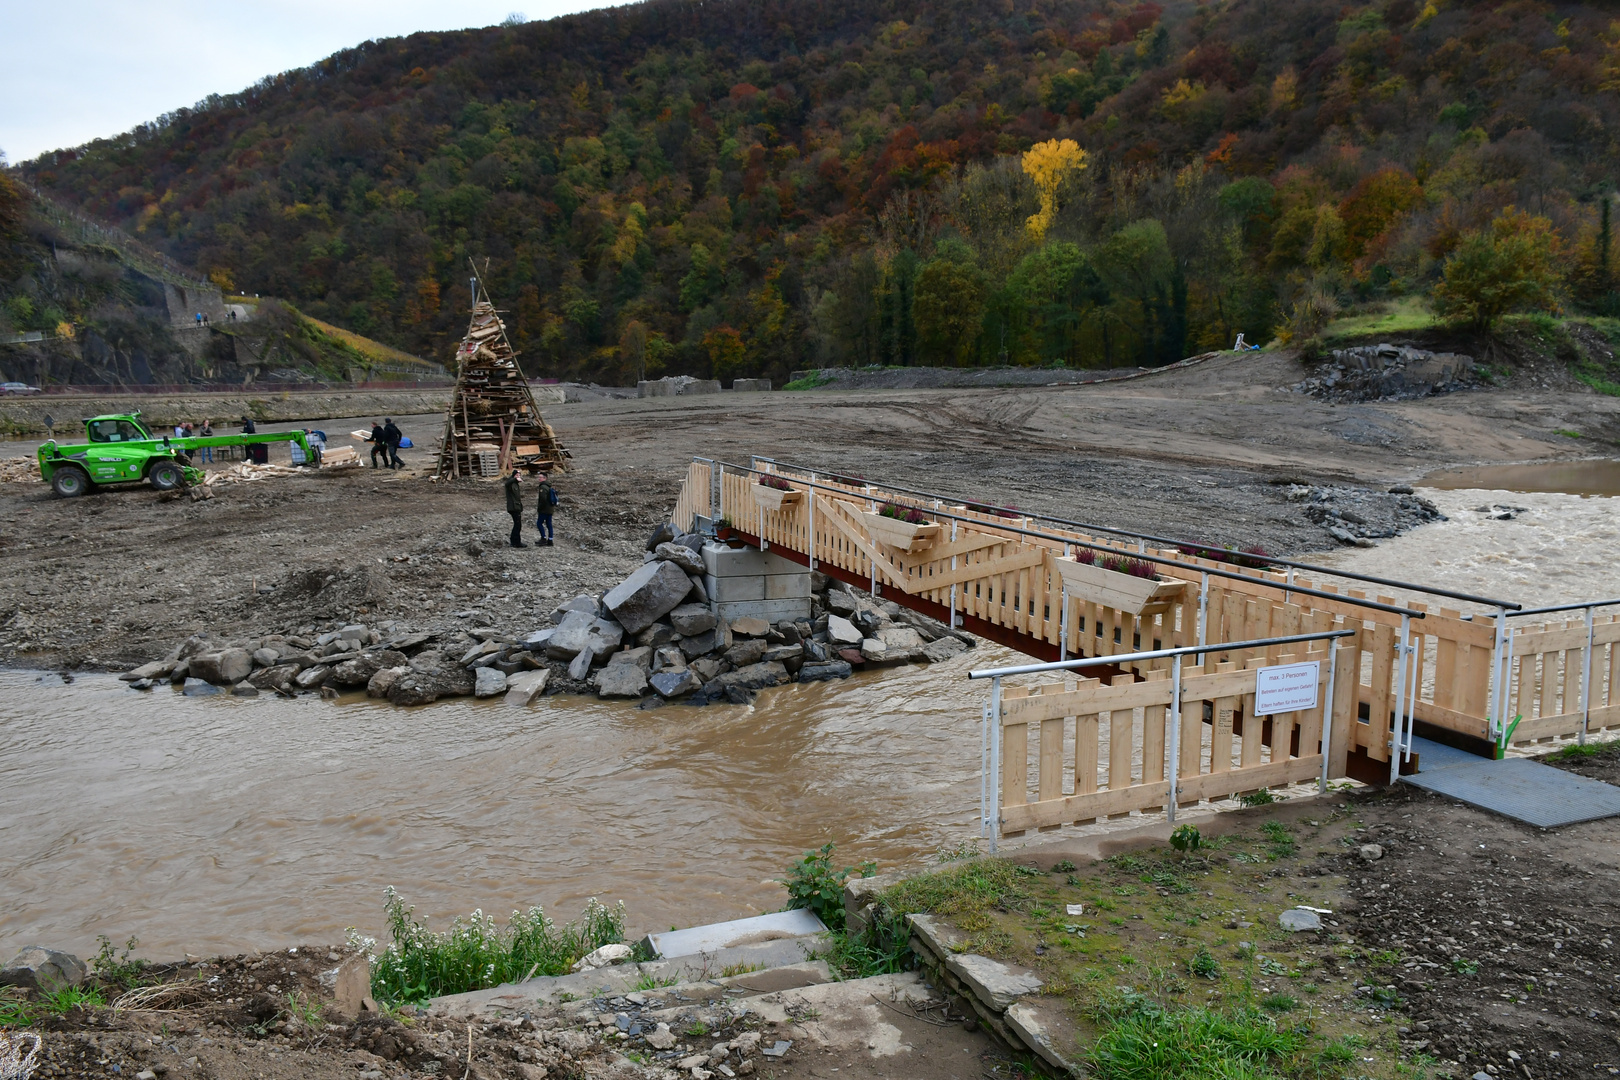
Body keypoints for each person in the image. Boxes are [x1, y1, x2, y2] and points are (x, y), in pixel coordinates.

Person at [503, 469, 527, 548]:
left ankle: (515, 541)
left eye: (519, 475)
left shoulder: (516, 484)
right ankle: (516, 542)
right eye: (517, 475)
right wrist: (515, 479)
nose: (518, 477)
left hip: (516, 507)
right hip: (513, 507)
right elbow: (507, 483)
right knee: (517, 525)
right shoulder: (511, 483)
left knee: (518, 525)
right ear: (513, 476)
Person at [535, 472, 557, 547]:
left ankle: (543, 538)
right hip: (550, 509)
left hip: (544, 509)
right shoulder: (549, 486)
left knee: (539, 523)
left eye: (540, 477)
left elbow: (543, 499)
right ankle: (550, 539)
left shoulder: (543, 487)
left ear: (545, 478)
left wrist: (539, 508)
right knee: (549, 524)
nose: (539, 479)